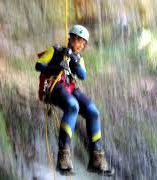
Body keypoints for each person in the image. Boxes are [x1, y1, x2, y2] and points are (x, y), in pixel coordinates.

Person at [35, 25, 114, 176]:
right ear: (70, 38)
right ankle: (63, 156)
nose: (79, 44)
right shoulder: (56, 50)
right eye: (77, 39)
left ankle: (97, 158)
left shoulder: (79, 59)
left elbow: (83, 75)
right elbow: (39, 65)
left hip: (70, 88)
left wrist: (73, 60)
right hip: (54, 86)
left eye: (82, 42)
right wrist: (56, 67)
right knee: (72, 106)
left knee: (93, 113)